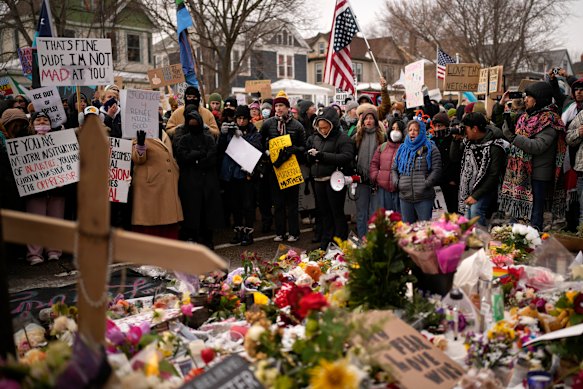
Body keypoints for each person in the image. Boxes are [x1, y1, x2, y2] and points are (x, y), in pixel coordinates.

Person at [500, 82, 566, 231]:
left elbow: (538, 146)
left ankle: (532, 243)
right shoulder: (525, 117)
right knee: (516, 215)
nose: (525, 100)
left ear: (539, 99)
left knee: (534, 215)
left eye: (529, 96)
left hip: (537, 175)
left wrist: (514, 138)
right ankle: (515, 242)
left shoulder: (550, 120)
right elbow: (502, 128)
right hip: (519, 174)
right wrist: (501, 107)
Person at [260, 91, 306, 242]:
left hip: (291, 167)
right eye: (277, 105)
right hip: (275, 169)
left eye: (282, 105)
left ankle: (294, 232)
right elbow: (260, 142)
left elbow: (304, 147)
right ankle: (280, 232)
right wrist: (267, 151)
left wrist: (295, 150)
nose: (279, 108)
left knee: (292, 204)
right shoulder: (268, 124)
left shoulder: (297, 126)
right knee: (278, 203)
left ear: (287, 107)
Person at [306, 107, 354, 249]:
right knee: (324, 213)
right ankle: (326, 242)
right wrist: (309, 156)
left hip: (334, 181)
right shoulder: (315, 138)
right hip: (318, 180)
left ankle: (340, 242)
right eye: (320, 128)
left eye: (325, 128)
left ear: (332, 125)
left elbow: (346, 156)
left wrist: (322, 156)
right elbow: (308, 155)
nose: (323, 131)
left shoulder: (343, 138)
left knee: (336, 213)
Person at [173, 108, 222, 248]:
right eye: (191, 123)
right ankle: (192, 236)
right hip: (190, 182)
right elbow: (183, 157)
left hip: (207, 181)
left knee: (207, 211)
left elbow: (212, 156)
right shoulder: (184, 139)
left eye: (196, 122)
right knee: (192, 211)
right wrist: (198, 154)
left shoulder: (208, 138)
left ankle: (207, 238)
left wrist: (195, 158)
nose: (193, 125)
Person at [24, 112, 67, 264]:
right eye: (38, 119)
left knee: (56, 220)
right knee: (36, 221)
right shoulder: (25, 143)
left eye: (45, 120)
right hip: (36, 189)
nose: (42, 122)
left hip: (57, 187)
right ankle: (34, 254)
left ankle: (54, 250)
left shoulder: (60, 140)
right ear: (32, 124)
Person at [451, 112, 506, 226]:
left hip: (487, 188)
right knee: (466, 217)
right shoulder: (469, 142)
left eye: (465, 128)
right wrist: (455, 141)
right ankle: (470, 241)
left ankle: (480, 240)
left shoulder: (495, 146)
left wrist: (476, 195)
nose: (464, 131)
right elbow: (454, 158)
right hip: (470, 188)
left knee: (475, 212)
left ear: (475, 129)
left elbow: (493, 175)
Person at [219, 105, 263, 246]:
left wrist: (242, 138)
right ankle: (238, 231)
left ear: (249, 120)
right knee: (235, 205)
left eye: (244, 118)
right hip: (232, 175)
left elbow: (257, 148)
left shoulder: (254, 132)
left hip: (246, 174)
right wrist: (223, 134)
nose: (241, 121)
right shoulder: (230, 132)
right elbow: (220, 149)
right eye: (239, 118)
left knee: (248, 205)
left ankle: (248, 233)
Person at [131, 127, 183, 239]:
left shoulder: (163, 132)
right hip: (150, 185)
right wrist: (140, 144)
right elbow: (138, 159)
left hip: (167, 182)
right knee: (151, 220)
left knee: (168, 219)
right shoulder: (136, 132)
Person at [392, 119, 442, 223]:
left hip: (424, 197)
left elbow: (436, 169)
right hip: (405, 196)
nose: (412, 132)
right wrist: (397, 183)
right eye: (410, 130)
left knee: (424, 230)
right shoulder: (402, 148)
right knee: (407, 230)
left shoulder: (431, 148)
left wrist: (426, 183)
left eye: (416, 130)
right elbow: (394, 168)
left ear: (422, 132)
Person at [353, 107, 385, 237]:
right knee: (361, 213)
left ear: (376, 120)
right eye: (366, 118)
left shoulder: (382, 137)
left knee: (375, 213)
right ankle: (362, 239)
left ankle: (374, 241)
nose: (368, 120)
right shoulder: (357, 137)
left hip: (377, 180)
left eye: (371, 118)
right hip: (361, 179)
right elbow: (350, 155)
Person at [370, 118, 405, 212]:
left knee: (401, 218)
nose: (395, 132)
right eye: (393, 128)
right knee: (386, 218)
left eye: (398, 129)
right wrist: (376, 177)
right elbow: (374, 163)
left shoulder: (406, 148)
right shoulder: (382, 147)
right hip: (383, 188)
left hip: (400, 189)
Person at [431, 112, 460, 213]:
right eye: (435, 126)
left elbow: (456, 161)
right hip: (436, 182)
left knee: (451, 212)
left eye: (440, 126)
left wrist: (453, 179)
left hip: (450, 183)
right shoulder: (432, 141)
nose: (437, 129)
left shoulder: (453, 140)